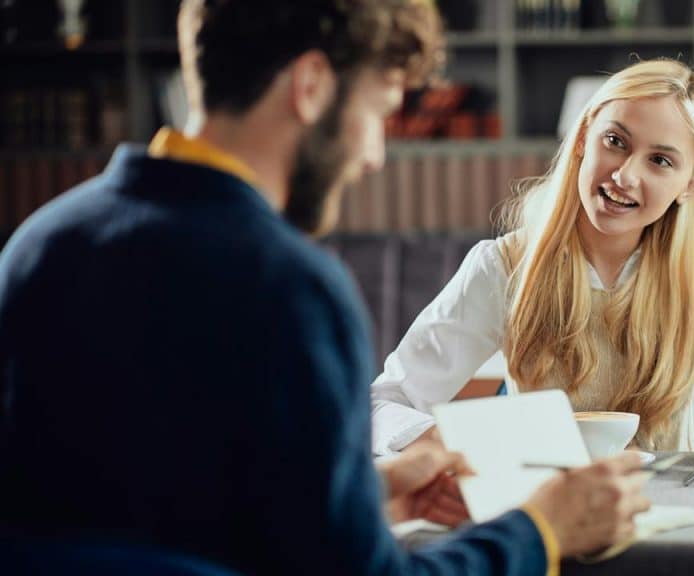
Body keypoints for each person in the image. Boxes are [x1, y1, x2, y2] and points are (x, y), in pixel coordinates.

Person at [0, 1, 651, 574]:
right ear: (311, 87)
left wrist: (370, 495)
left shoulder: (40, 245)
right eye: (379, 110)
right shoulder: (291, 289)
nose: (373, 155)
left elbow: (153, 511)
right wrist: (543, 530)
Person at [370, 58, 694, 456]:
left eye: (660, 161)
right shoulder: (504, 265)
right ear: (584, 137)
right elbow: (384, 404)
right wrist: (456, 446)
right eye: (615, 142)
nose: (626, 176)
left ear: (690, 184)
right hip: (547, 517)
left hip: (678, 523)